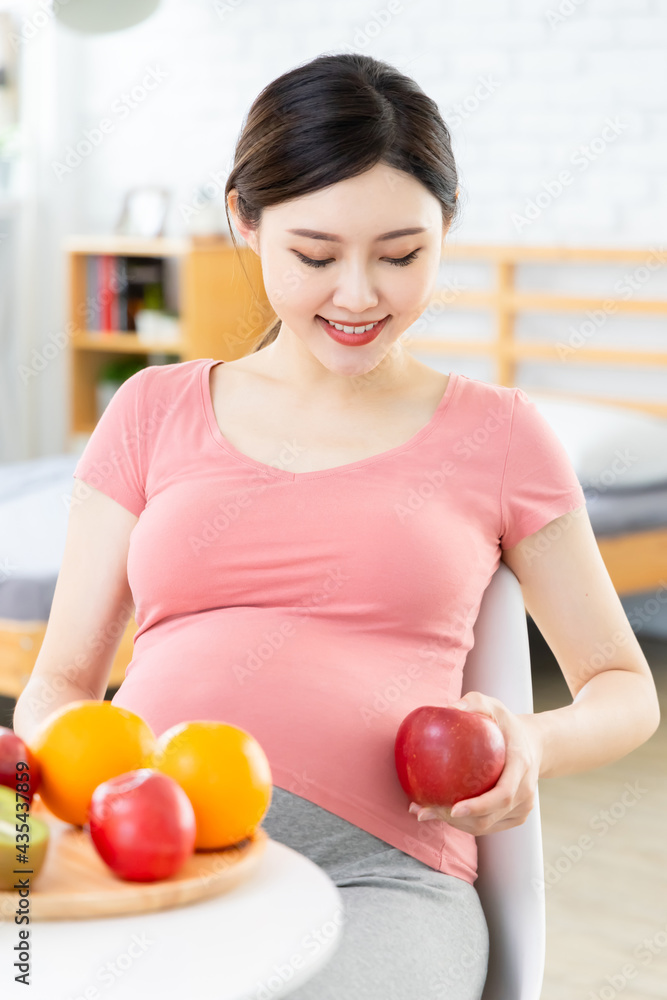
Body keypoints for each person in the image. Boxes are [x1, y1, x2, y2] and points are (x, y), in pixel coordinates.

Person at [14, 53, 660, 999]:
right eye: (315, 256)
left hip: (379, 878)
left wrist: (532, 744)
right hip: (145, 863)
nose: (358, 296)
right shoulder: (151, 411)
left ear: (446, 229)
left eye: (402, 255)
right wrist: (81, 799)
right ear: (245, 219)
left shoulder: (502, 436)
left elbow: (622, 686)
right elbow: (59, 687)